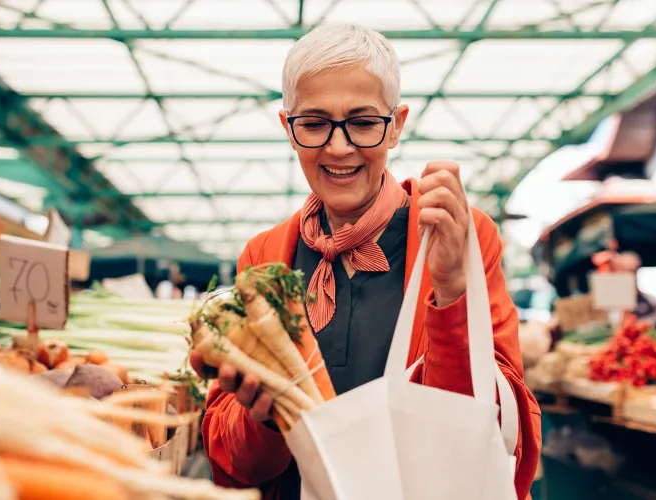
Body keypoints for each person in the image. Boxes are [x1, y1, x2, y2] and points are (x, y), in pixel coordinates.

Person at [188, 24, 541, 500]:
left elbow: (493, 427)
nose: (338, 147)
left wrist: (454, 288)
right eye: (314, 123)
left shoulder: (460, 234)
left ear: (396, 124)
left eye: (363, 122)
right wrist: (263, 419)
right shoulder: (265, 256)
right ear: (288, 129)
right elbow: (233, 459)